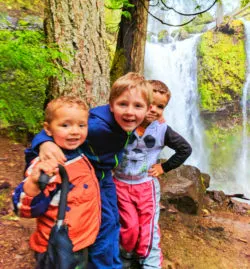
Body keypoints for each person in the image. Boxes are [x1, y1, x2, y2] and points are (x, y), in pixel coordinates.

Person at [24, 72, 152, 269]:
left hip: (104, 175)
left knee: (111, 221)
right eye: (123, 104)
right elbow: (56, 130)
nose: (130, 112)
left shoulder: (133, 119)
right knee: (103, 222)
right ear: (111, 105)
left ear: (147, 109)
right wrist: (43, 142)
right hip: (85, 178)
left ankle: (108, 261)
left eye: (138, 106)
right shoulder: (97, 126)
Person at [12, 96, 101, 269]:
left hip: (80, 241)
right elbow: (23, 209)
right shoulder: (48, 165)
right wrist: (34, 184)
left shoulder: (77, 151)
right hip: (57, 246)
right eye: (65, 125)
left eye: (81, 125)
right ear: (48, 129)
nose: (75, 131)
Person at [113, 80, 192, 268]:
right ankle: (126, 255)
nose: (154, 109)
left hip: (145, 186)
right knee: (129, 225)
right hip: (120, 184)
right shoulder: (125, 122)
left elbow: (184, 149)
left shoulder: (163, 130)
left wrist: (164, 168)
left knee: (148, 227)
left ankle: (147, 260)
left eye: (160, 106)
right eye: (150, 104)